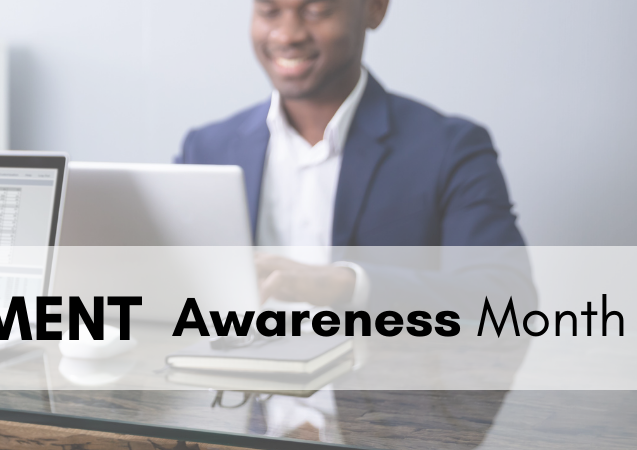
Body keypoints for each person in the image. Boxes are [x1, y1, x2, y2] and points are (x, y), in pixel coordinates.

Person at [177, 0, 534, 311]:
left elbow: (505, 299)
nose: (286, 35)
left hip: (379, 385)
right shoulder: (206, 150)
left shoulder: (449, 148)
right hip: (238, 383)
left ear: (375, 7)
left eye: (316, 10)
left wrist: (346, 285)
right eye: (269, 11)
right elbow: (160, 284)